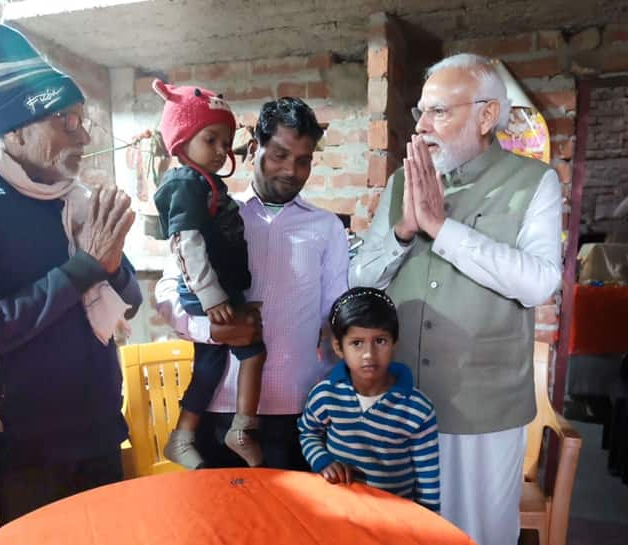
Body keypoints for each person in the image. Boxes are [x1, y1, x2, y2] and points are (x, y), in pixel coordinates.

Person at [0, 23, 142, 523]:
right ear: (15, 129)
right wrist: (86, 266)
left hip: (100, 428)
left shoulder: (75, 201)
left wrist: (107, 261)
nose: (83, 136)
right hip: (26, 445)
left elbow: (128, 299)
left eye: (84, 121)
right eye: (66, 121)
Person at [350, 53, 562, 545]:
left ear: (487, 116)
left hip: (480, 411)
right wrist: (403, 230)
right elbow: (360, 281)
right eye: (420, 112)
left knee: (475, 533)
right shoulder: (403, 182)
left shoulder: (533, 183)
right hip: (397, 401)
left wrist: (441, 228)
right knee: (398, 530)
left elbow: (537, 282)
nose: (422, 126)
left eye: (439, 112)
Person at [156, 97, 347, 470]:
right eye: (279, 155)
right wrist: (212, 329)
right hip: (220, 408)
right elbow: (166, 293)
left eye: (303, 160)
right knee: (221, 525)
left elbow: (334, 316)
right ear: (253, 148)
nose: (291, 170)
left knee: (295, 525)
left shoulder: (327, 228)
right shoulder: (214, 212)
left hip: (301, 412)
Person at [151, 79, 267, 469]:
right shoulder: (185, 183)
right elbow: (186, 244)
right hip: (207, 293)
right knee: (252, 352)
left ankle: (182, 436)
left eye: (225, 142)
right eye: (210, 140)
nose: (221, 151)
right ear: (181, 141)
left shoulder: (204, 182)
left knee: (209, 364)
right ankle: (242, 428)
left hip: (218, 290)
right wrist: (213, 296)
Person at [297, 287, 440, 512]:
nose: (369, 354)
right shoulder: (325, 395)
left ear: (394, 342)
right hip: (338, 510)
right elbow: (308, 432)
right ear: (338, 347)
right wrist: (323, 461)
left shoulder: (417, 409)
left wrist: (429, 528)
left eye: (380, 341)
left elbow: (428, 480)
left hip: (395, 517)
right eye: (357, 343)